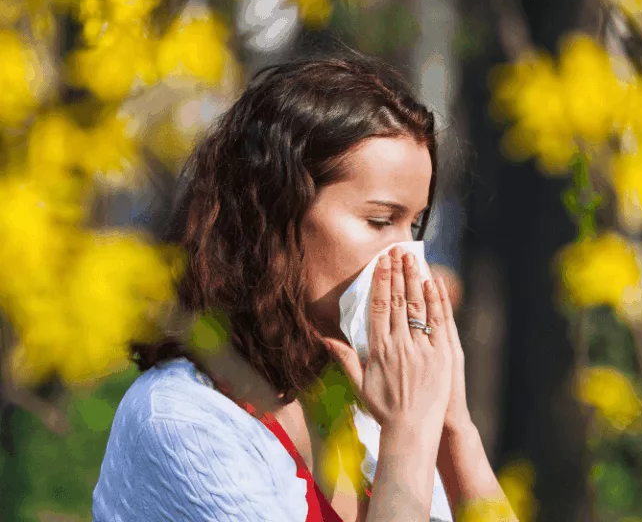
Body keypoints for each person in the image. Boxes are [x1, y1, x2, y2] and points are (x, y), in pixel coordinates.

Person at [92, 49, 513, 522]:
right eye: (380, 221)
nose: (409, 262)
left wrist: (453, 427)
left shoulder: (365, 401)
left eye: (413, 227)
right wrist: (410, 433)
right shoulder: (183, 420)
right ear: (274, 215)